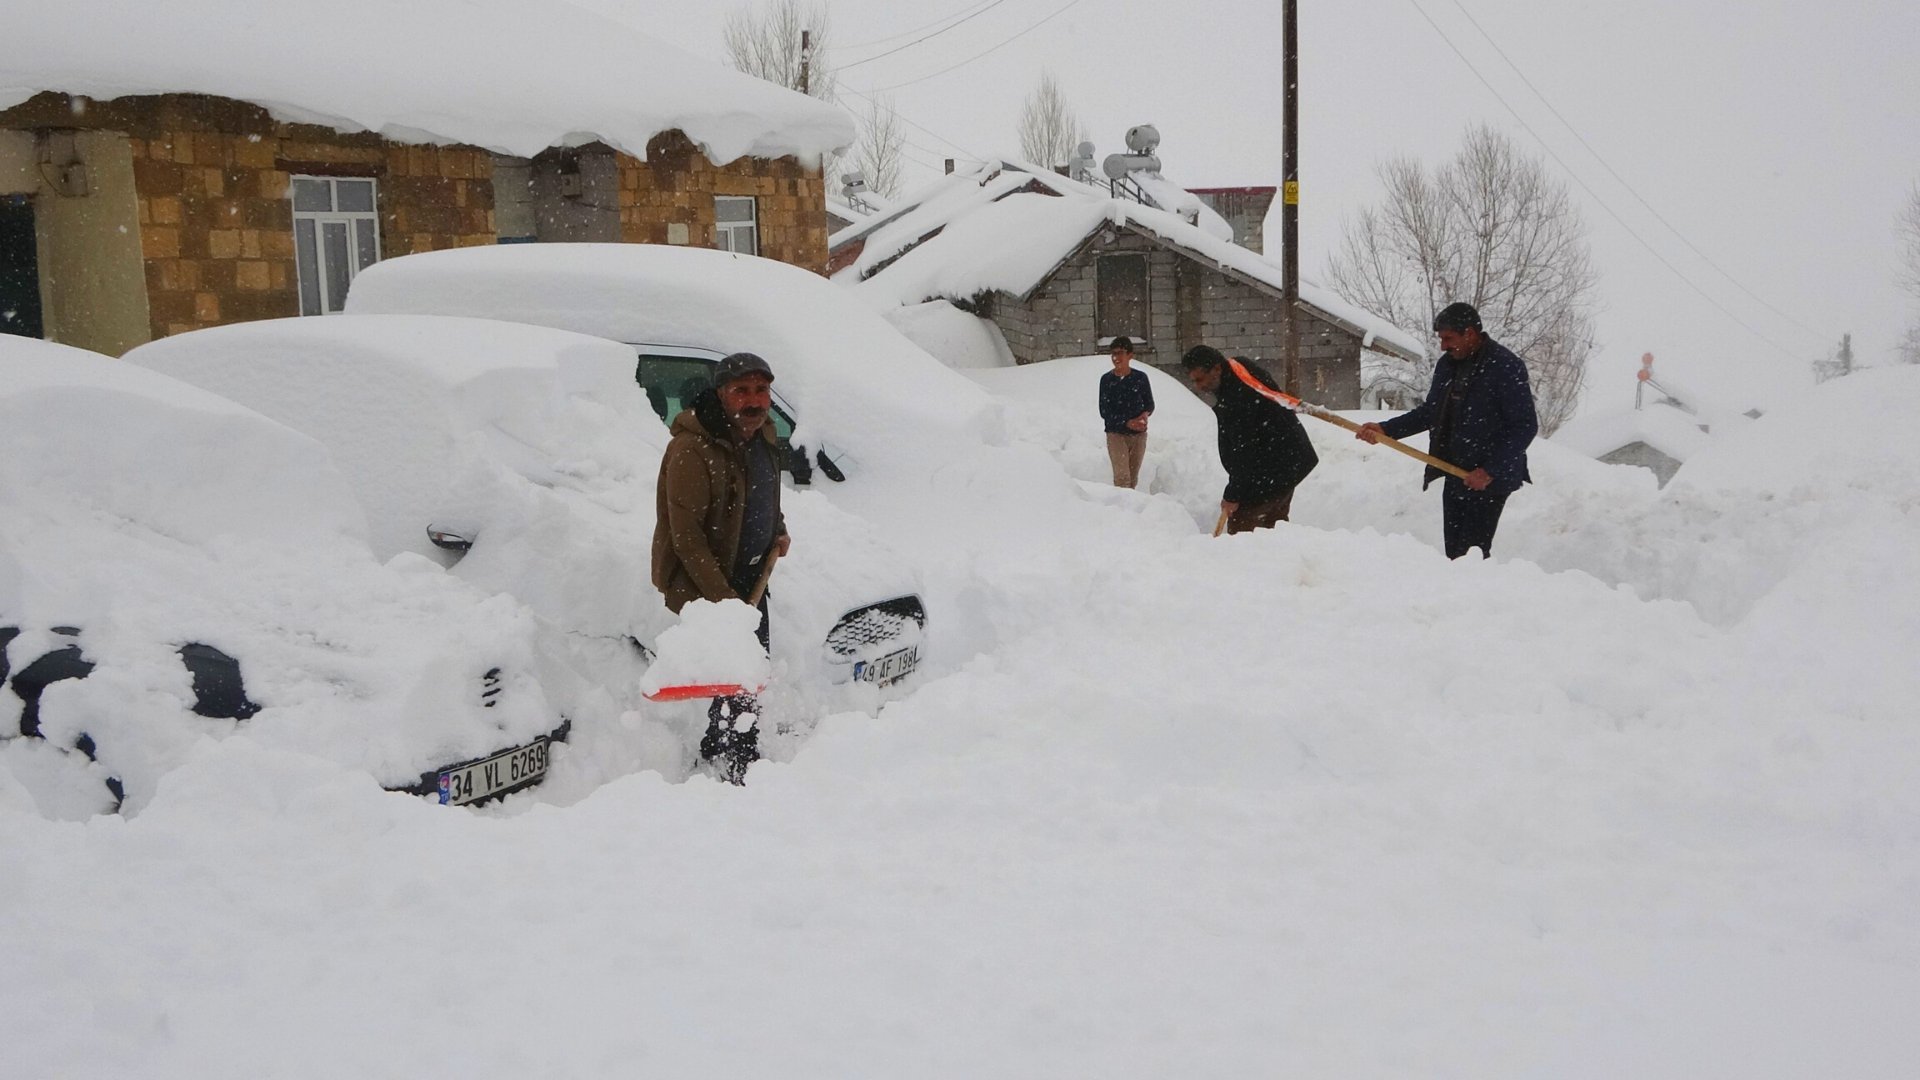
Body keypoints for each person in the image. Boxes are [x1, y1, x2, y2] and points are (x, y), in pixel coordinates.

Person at [651, 351, 792, 782]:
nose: (754, 401)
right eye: (741, 391)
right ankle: (735, 760)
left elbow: (764, 493)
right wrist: (726, 603)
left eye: (762, 390)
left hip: (751, 576)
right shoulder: (692, 449)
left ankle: (723, 742)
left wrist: (778, 529)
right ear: (720, 395)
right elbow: (686, 537)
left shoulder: (761, 434)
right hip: (709, 580)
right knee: (734, 673)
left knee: (747, 665)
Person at [1356, 302, 1538, 560]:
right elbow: (1431, 412)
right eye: (1441, 339)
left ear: (1470, 333)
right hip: (1456, 470)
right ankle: (1459, 594)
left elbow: (1525, 426)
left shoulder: (1505, 366)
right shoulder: (1448, 365)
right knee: (1454, 552)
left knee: (1472, 553)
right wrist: (1386, 429)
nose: (1443, 345)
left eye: (1448, 338)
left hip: (1489, 479)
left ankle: (1475, 595)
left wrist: (1489, 471)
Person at [1180, 345, 1319, 533]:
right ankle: (1278, 551)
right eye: (1194, 381)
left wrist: (1233, 494)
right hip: (1290, 460)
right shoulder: (1239, 368)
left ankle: (1247, 557)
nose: (1198, 386)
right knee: (1275, 527)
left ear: (1217, 369)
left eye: (1200, 379)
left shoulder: (1237, 399)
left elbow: (1244, 450)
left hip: (1273, 466)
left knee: (1242, 529)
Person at [1098, 336, 1154, 489]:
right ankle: (1122, 510)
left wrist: (1144, 416)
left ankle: (1130, 508)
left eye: (1120, 353)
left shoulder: (1140, 378)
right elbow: (1104, 411)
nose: (1116, 358)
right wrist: (1126, 422)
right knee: (1122, 478)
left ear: (1130, 355)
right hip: (1116, 434)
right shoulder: (1106, 380)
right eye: (1113, 354)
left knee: (1132, 477)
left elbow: (1149, 404)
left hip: (1138, 435)